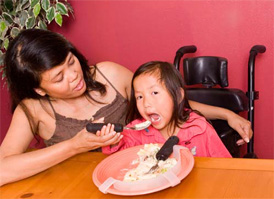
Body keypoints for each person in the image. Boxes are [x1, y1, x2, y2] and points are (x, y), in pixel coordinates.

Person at [0, 29, 250, 186]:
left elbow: (169, 101)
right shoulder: (32, 110)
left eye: (70, 61)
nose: (74, 75)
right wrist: (73, 146)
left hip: (139, 182)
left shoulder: (109, 74)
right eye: (58, 78)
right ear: (39, 89)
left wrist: (226, 115)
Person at [102, 61, 232, 157]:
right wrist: (112, 140)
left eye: (155, 93)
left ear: (178, 96)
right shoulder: (135, 132)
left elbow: (224, 167)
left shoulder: (199, 129)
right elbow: (119, 159)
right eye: (140, 97)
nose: (146, 103)